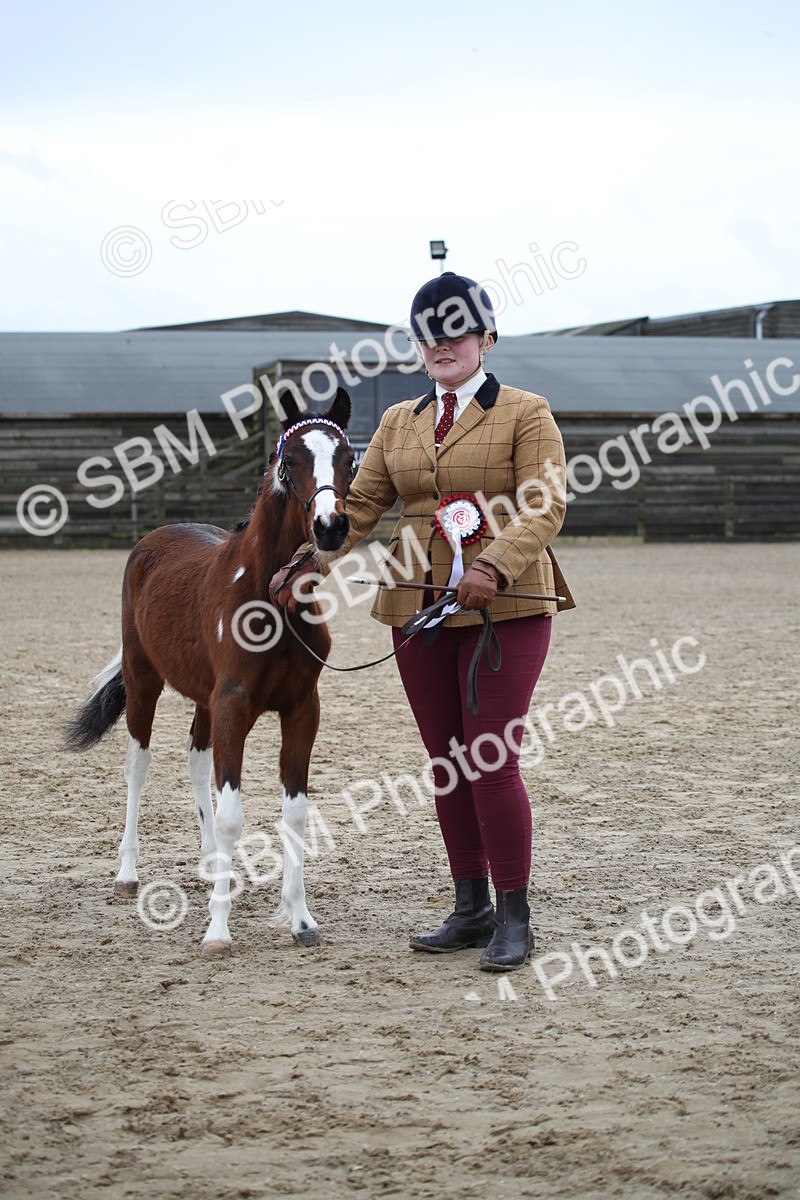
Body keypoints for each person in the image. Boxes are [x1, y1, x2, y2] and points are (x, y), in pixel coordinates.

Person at [270, 271, 575, 971]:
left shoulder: (526, 413)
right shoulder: (398, 421)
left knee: (489, 759)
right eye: (428, 336)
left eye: (456, 333)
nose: (442, 345)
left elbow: (545, 504)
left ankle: (514, 914)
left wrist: (492, 566)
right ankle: (470, 907)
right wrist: (308, 561)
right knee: (447, 762)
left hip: (505, 607)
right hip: (416, 608)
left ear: (486, 340)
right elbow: (361, 507)